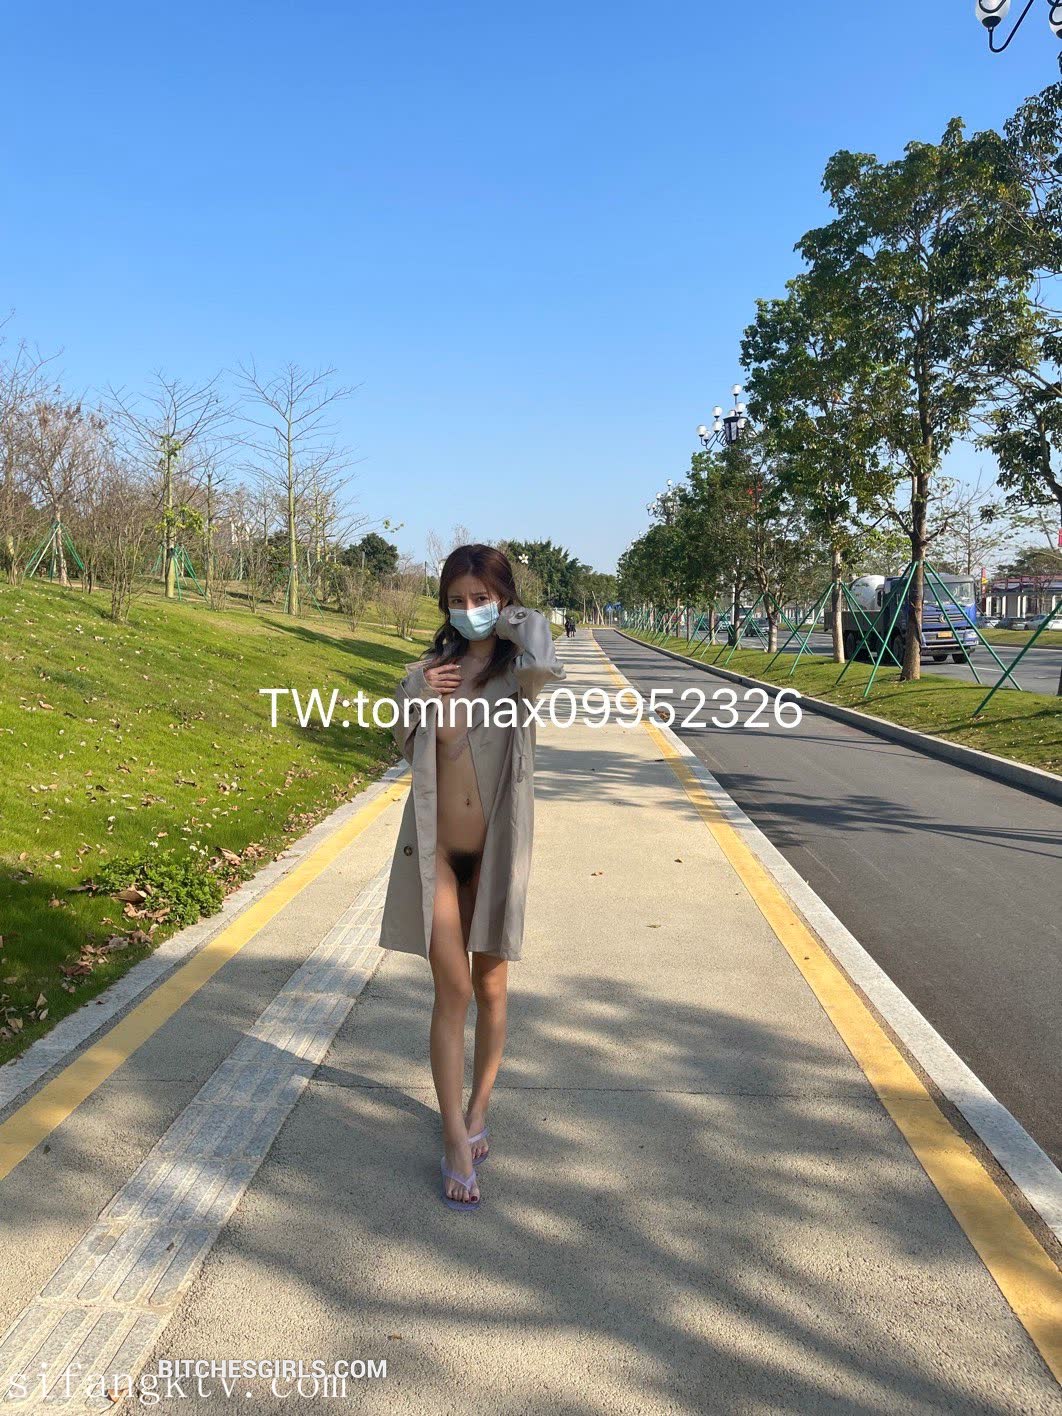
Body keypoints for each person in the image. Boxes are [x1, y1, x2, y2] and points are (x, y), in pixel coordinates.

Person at [377, 544, 567, 1210]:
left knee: (490, 987)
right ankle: (454, 1136)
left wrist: (515, 619)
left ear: (503, 599)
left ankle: (479, 1107)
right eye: (456, 601)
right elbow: (402, 742)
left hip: (494, 854)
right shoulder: (431, 672)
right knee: (452, 989)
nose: (469, 611)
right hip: (437, 853)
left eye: (481, 599)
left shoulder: (520, 677)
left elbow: (544, 660)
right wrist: (415, 691)